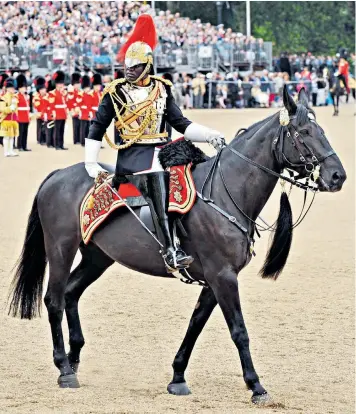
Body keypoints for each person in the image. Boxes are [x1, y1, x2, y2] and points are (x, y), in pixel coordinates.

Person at [84, 15, 224, 271]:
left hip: (164, 149)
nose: (129, 69)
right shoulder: (115, 93)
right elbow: (97, 128)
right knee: (158, 176)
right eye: (127, 64)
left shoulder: (162, 89)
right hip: (134, 155)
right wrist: (91, 162)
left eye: (135, 66)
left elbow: (182, 124)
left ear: (147, 66)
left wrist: (210, 134)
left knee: (202, 169)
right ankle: (170, 250)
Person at [48, 70, 68, 150]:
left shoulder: (64, 93)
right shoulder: (52, 93)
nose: (61, 85)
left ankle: (61, 144)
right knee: (57, 130)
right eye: (59, 83)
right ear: (56, 84)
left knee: (62, 130)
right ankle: (56, 145)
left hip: (63, 113)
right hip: (57, 113)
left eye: (62, 83)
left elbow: (66, 102)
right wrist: (53, 113)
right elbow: (52, 104)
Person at [0, 77, 19, 157]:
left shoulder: (15, 97)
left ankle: (11, 151)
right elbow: (2, 109)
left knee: (12, 137)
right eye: (11, 88)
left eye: (13, 88)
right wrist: (10, 108)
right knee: (6, 137)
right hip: (6, 119)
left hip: (13, 119)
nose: (13, 90)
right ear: (7, 89)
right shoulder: (3, 98)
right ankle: (6, 151)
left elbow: (16, 109)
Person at [16, 73, 31, 151]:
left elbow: (28, 107)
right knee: (20, 133)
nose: (24, 89)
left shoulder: (26, 96)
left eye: (25, 87)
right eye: (22, 87)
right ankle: (20, 146)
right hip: (20, 117)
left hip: (26, 116)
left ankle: (24, 146)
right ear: (19, 88)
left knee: (25, 132)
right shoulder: (17, 96)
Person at [66, 72, 81, 145]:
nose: (78, 85)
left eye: (78, 84)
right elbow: (69, 102)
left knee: (80, 126)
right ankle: (76, 140)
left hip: (80, 111)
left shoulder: (79, 91)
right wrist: (71, 110)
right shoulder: (71, 92)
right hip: (74, 111)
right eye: (77, 84)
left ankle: (79, 139)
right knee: (75, 126)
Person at [78, 75, 93, 147]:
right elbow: (79, 103)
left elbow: (90, 105)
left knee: (88, 128)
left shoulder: (90, 95)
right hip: (83, 113)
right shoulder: (81, 94)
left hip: (88, 113)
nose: (88, 89)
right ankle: (82, 142)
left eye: (88, 87)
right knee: (83, 129)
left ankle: (87, 141)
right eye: (86, 88)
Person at [32, 76, 48, 145]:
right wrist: (42, 113)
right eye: (41, 89)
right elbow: (37, 106)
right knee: (40, 127)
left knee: (45, 127)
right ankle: (39, 139)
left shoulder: (47, 96)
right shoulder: (36, 97)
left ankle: (45, 139)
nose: (43, 91)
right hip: (39, 114)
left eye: (44, 89)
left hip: (46, 114)